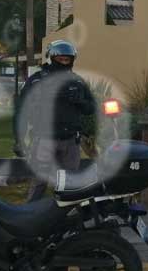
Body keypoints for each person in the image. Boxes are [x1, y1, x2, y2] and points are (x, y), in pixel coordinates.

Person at [13, 40, 95, 202]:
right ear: (52, 58)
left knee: (70, 183)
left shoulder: (77, 81)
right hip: (44, 139)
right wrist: (18, 140)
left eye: (67, 59)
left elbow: (91, 109)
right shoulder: (37, 80)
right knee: (39, 182)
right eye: (61, 59)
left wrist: (80, 102)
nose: (64, 62)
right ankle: (30, 218)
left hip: (71, 141)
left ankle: (68, 218)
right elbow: (21, 112)